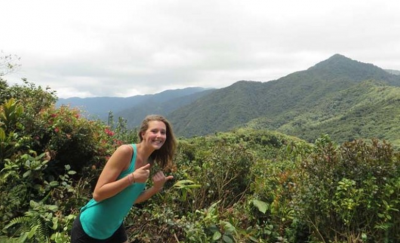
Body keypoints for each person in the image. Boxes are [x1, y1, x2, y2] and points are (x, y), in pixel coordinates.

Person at [71, 114, 177, 243]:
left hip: (113, 227)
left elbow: (131, 198)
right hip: (90, 228)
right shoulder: (126, 152)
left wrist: (156, 188)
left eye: (163, 132)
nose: (159, 135)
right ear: (143, 134)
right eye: (154, 131)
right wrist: (131, 178)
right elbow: (98, 194)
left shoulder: (149, 162)